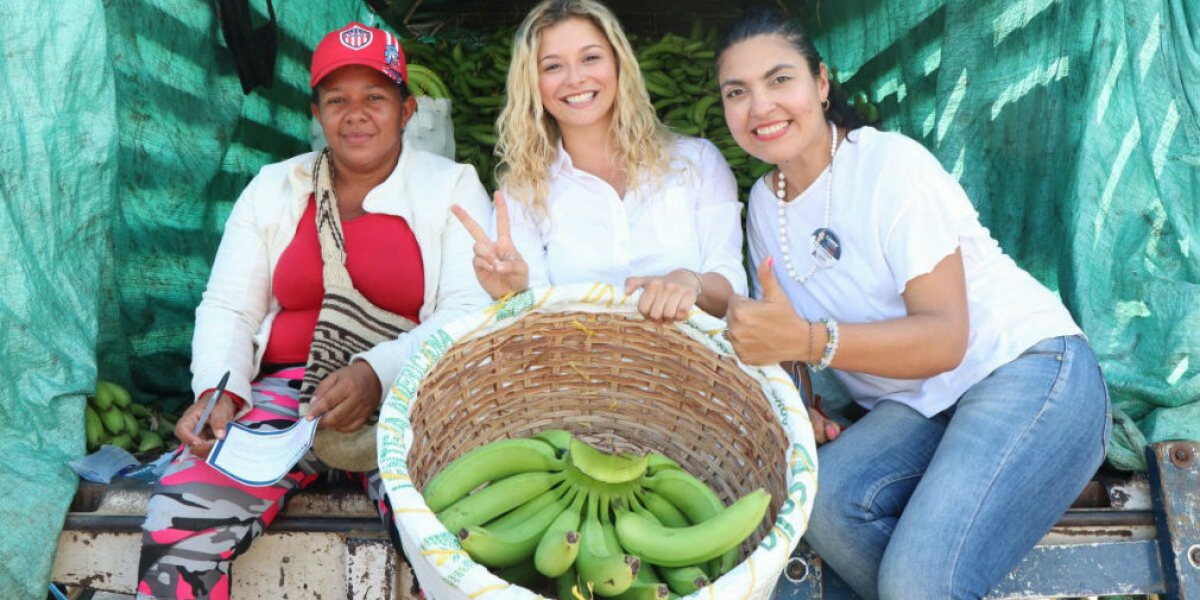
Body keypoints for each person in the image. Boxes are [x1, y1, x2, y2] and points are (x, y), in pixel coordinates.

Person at [716, 9, 1111, 600]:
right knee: (823, 507)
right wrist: (806, 398)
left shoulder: (887, 165)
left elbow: (945, 337)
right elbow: (784, 337)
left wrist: (805, 341)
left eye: (780, 80)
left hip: (1021, 368)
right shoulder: (761, 207)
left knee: (917, 582)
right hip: (918, 406)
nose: (761, 106)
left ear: (821, 84)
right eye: (737, 92)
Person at [136, 22, 491, 600]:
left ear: (406, 109)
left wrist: (378, 374)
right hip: (285, 398)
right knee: (181, 514)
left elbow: (468, 309)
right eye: (337, 100)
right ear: (317, 113)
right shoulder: (275, 186)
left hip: (412, 398)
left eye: (375, 98)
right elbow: (230, 305)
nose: (356, 114)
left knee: (457, 536)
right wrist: (216, 392)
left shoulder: (452, 185)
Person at [451, 0, 747, 321]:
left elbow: (732, 288)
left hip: (693, 364)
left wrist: (691, 281)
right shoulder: (522, 193)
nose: (575, 78)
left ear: (619, 64)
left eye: (591, 58)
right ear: (532, 84)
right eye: (552, 66)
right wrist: (512, 292)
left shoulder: (697, 163)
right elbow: (530, 321)